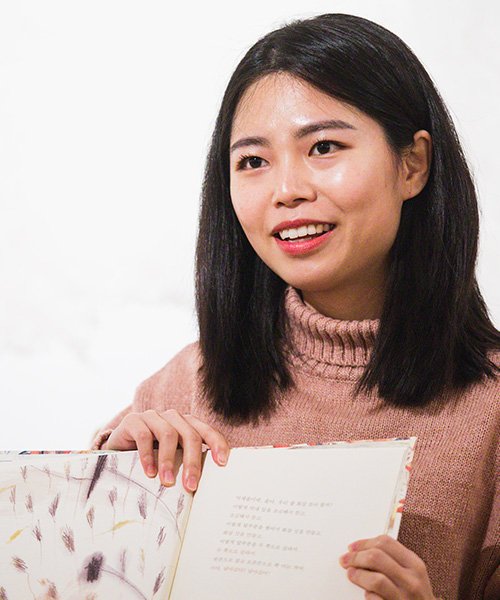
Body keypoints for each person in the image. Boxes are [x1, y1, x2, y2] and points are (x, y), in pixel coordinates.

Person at [91, 13, 499, 600]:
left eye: (324, 147)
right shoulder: (183, 386)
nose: (287, 190)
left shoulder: (492, 410)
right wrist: (105, 488)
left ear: (412, 165)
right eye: (253, 161)